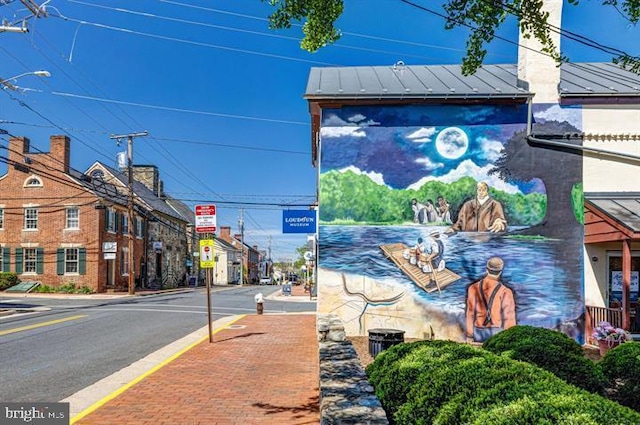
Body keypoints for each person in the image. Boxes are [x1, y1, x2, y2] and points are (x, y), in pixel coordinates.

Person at [465, 257, 516, 343]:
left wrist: (469, 335)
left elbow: (470, 313)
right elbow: (509, 318)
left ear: (486, 270)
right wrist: (510, 339)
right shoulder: (506, 291)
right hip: (497, 332)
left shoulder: (473, 288)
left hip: (478, 331)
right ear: (500, 272)